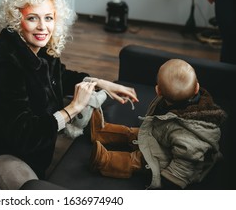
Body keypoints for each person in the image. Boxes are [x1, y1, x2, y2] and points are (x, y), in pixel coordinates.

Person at [0, 0, 138, 190]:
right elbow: (23, 135)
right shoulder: (5, 64)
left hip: (21, 134)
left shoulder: (39, 45)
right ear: (17, 21)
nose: (43, 26)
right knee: (36, 190)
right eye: (32, 18)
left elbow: (62, 76)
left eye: (48, 18)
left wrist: (102, 83)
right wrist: (72, 109)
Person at [90, 59, 226, 189]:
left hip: (169, 161)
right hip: (163, 137)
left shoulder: (191, 135)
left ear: (158, 90)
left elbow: (185, 165)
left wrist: (167, 182)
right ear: (197, 87)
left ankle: (105, 161)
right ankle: (102, 132)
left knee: (138, 159)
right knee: (134, 133)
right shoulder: (169, 101)